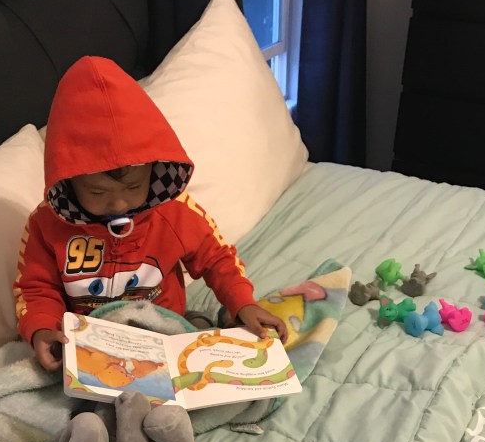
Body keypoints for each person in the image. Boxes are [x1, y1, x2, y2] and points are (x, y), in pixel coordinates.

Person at [14, 56, 286, 371]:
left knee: (197, 348)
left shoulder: (174, 211)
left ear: (154, 172)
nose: (119, 205)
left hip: (165, 329)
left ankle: (211, 324)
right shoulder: (46, 225)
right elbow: (35, 288)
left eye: (133, 187)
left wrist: (242, 302)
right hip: (92, 343)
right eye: (97, 193)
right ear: (68, 183)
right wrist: (41, 327)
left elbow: (217, 259)